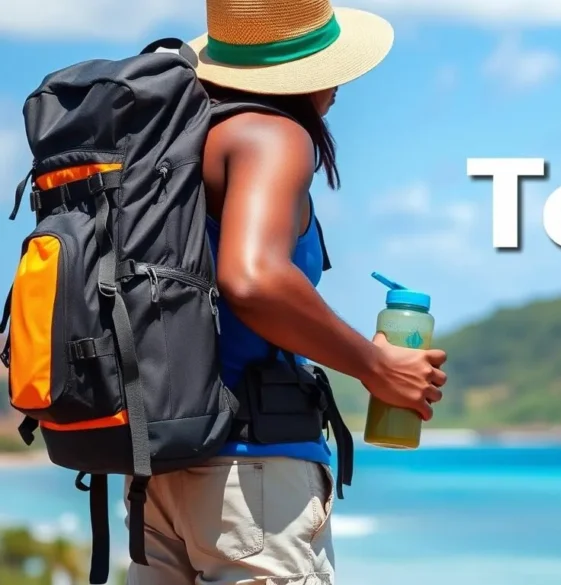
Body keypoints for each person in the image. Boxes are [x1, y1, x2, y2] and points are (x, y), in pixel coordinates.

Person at [124, 2, 447, 584]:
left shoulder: (176, 143)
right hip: (250, 480)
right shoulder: (272, 134)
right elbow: (252, 280)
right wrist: (375, 366)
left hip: (157, 467)